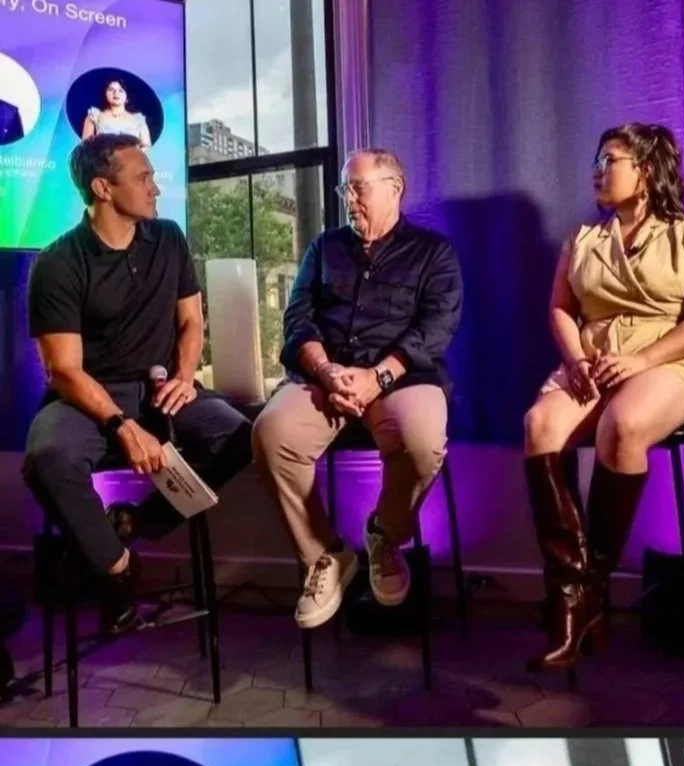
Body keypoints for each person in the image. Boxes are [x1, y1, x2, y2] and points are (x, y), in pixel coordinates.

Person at [23, 134, 254, 635]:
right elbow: (64, 370)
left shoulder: (168, 238)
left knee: (239, 437)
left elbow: (192, 322)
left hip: (159, 388)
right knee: (48, 457)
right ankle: (116, 569)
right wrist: (122, 426)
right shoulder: (58, 263)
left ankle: (133, 525)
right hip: (87, 396)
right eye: (144, 177)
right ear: (103, 188)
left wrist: (186, 377)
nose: (156, 187)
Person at [522, 122, 684, 671]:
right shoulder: (583, 239)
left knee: (625, 424)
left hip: (670, 362)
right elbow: (561, 309)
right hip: (593, 358)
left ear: (646, 169)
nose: (597, 168)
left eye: (610, 159)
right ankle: (572, 591)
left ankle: (588, 587)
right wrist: (575, 361)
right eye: (596, 159)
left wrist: (640, 360)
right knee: (539, 425)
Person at [251, 148, 463, 631]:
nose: (349, 198)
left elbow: (437, 327)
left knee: (423, 439)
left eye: (358, 187)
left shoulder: (434, 253)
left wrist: (376, 377)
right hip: (327, 378)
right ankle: (324, 554)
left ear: (394, 187)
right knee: (270, 433)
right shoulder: (323, 248)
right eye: (344, 189)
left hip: (401, 378)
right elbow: (297, 319)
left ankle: (385, 535)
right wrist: (326, 372)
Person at [82, 80, 151, 150]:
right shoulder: (95, 115)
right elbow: (86, 146)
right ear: (105, 94)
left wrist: (133, 157)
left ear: (127, 97)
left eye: (120, 90)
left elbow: (146, 145)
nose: (116, 93)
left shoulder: (138, 119)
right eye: (111, 89)